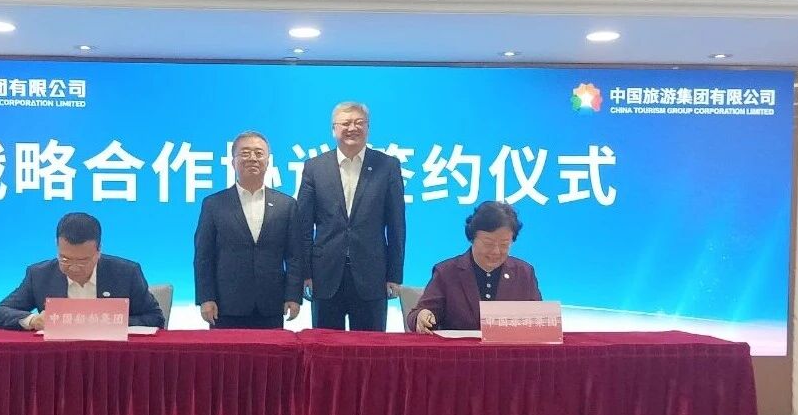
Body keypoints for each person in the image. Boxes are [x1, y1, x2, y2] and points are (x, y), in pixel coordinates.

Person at [296, 101, 406, 331]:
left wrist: (394, 275)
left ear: (368, 128)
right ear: (333, 129)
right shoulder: (314, 167)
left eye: (359, 123)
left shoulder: (387, 166)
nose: (352, 128)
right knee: (324, 346)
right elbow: (303, 227)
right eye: (345, 123)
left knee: (370, 348)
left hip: (372, 275)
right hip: (325, 275)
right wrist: (305, 273)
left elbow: (397, 226)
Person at [193, 130, 302, 328]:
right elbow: (203, 256)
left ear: (268, 161)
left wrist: (293, 295)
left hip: (271, 304)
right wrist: (206, 298)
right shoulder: (213, 204)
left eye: (259, 153)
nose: (252, 158)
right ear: (233, 162)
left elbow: (294, 256)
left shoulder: (286, 205)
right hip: (225, 305)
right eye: (245, 153)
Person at [0, 212, 165, 330]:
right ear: (57, 246)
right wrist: (34, 320)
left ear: (99, 250)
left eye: (82, 261)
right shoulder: (39, 275)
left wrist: (108, 322)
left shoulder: (126, 273)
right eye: (65, 259)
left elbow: (155, 318)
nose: (73, 267)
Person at [407, 200, 541, 333]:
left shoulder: (524, 273)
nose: (496, 251)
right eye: (488, 243)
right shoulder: (446, 272)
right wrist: (421, 316)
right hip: (460, 347)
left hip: (509, 346)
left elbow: (540, 319)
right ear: (472, 238)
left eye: (504, 244)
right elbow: (418, 314)